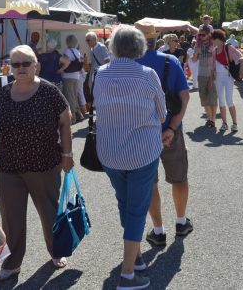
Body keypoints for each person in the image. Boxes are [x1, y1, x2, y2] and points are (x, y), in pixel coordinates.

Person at [0, 44, 74, 282]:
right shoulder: (3, 93)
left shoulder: (49, 92)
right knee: (11, 218)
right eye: (16, 64)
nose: (20, 68)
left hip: (44, 165)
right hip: (9, 167)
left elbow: (65, 120)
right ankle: (12, 263)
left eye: (25, 63)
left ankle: (56, 252)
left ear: (36, 66)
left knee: (49, 213)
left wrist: (67, 156)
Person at [94, 27, 167, 290]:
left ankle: (135, 259)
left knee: (125, 204)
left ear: (113, 47)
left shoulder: (100, 75)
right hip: (142, 153)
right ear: (139, 47)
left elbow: (98, 106)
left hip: (110, 153)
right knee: (136, 209)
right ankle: (127, 275)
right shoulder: (148, 75)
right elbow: (162, 114)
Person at [136, 27, 193, 249]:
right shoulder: (170, 61)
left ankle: (158, 231)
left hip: (142, 132)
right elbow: (185, 97)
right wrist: (171, 128)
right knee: (179, 177)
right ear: (156, 39)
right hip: (172, 129)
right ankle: (181, 222)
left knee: (150, 182)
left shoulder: (129, 65)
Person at [211, 29, 243, 132]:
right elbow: (213, 66)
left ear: (218, 39)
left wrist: (241, 69)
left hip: (228, 77)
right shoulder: (214, 51)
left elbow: (241, 57)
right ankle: (224, 123)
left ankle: (234, 123)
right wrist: (212, 74)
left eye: (213, 39)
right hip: (218, 79)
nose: (212, 41)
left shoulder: (229, 48)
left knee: (229, 101)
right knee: (221, 101)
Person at [194, 27, 218, 127]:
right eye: (200, 35)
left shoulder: (214, 44)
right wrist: (196, 53)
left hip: (212, 73)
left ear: (209, 34)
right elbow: (194, 60)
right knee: (203, 97)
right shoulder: (197, 44)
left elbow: (217, 59)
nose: (201, 36)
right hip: (201, 73)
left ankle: (212, 118)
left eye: (203, 34)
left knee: (212, 97)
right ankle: (209, 117)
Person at [60, 34, 85, 124]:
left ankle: (73, 117)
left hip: (67, 76)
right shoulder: (77, 51)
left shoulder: (67, 51)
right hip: (76, 76)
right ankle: (80, 114)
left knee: (69, 96)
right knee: (74, 96)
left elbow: (64, 62)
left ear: (67, 42)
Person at [85, 32, 110, 104]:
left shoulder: (101, 47)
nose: (87, 42)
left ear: (94, 39)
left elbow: (107, 61)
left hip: (101, 74)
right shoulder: (92, 48)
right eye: (86, 40)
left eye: (88, 40)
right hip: (94, 73)